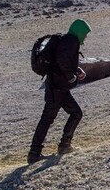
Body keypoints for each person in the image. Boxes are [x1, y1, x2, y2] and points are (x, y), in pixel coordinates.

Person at [27, 19, 91, 164]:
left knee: (72, 114)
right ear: (80, 31)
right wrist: (70, 77)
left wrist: (76, 70)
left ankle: (61, 146)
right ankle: (36, 153)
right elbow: (62, 62)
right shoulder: (71, 42)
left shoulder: (66, 40)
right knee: (51, 119)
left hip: (57, 88)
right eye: (85, 34)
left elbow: (61, 62)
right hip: (57, 89)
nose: (85, 37)